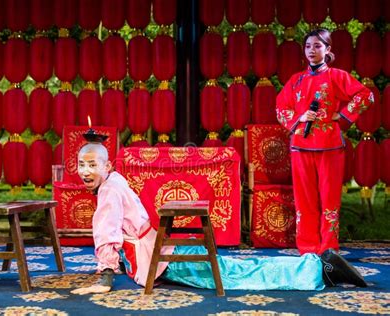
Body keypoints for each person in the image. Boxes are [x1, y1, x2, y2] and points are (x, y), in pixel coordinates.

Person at [71, 142, 367, 295]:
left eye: (92, 164)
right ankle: (317, 264)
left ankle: (319, 268)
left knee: (240, 275)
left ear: (107, 165)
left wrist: (105, 276)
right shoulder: (114, 180)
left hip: (164, 256)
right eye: (81, 165)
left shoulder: (108, 192)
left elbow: (106, 233)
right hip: (166, 249)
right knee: (241, 268)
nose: (86, 171)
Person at [276, 28, 374, 256]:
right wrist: (300, 117)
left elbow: (365, 95)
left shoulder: (337, 76)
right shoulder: (295, 80)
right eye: (308, 46)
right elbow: (281, 108)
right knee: (305, 203)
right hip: (300, 146)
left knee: (330, 201)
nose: (312, 50)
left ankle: (329, 249)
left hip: (330, 146)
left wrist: (341, 115)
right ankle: (308, 250)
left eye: (317, 46)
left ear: (328, 50)